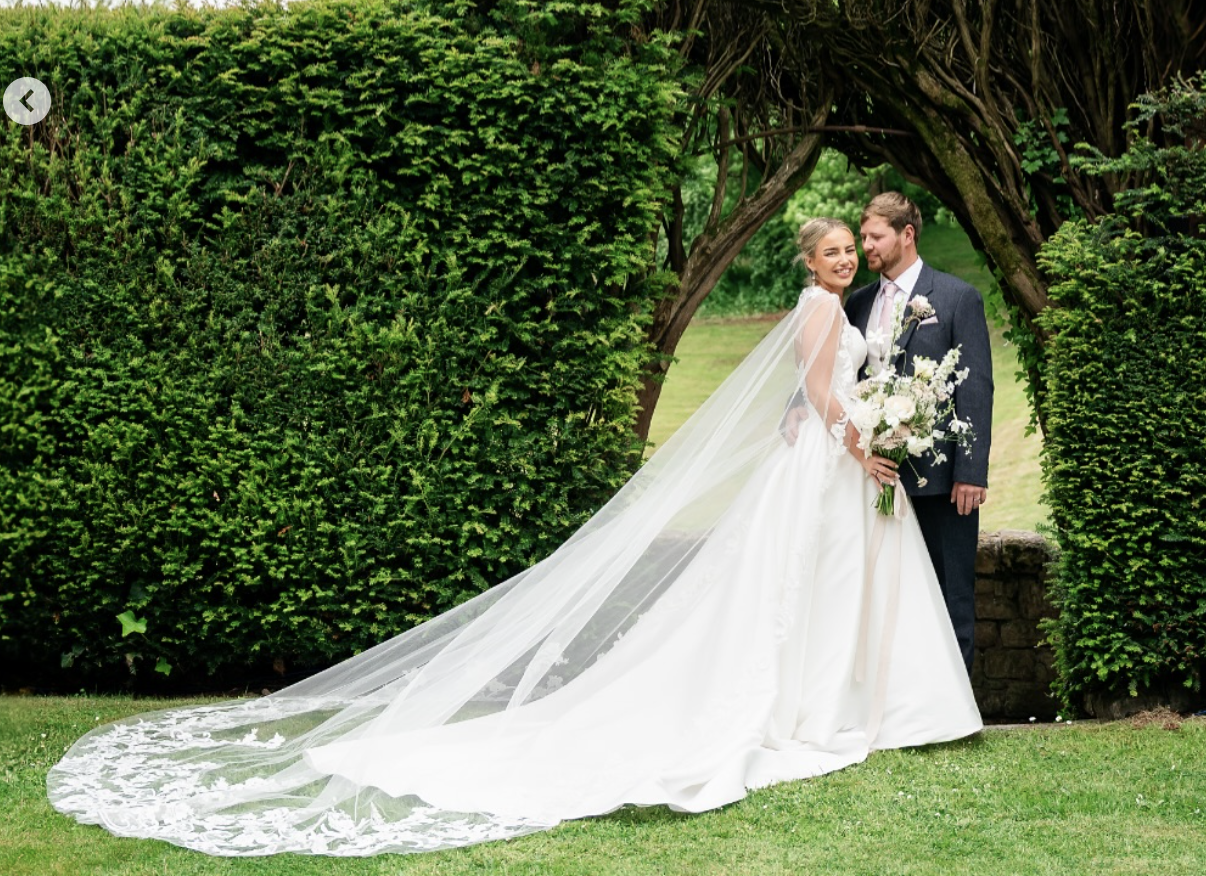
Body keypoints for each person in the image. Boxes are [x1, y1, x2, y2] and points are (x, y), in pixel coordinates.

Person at [47, 219, 981, 857]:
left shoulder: (843, 309)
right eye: (829, 253)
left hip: (831, 465)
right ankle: (811, 710)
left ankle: (842, 703)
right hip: (831, 462)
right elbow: (820, 394)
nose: (842, 263)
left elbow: (822, 393)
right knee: (798, 587)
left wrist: (867, 428)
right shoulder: (822, 312)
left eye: (847, 253)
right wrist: (861, 442)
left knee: (820, 585)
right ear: (808, 264)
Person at [844, 193, 994, 674]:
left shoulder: (956, 297)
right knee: (888, 593)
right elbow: (835, 372)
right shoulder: (859, 302)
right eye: (863, 236)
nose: (865, 246)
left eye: (875, 236)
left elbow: (976, 387)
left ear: (907, 234)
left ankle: (960, 706)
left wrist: (970, 472)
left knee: (952, 590)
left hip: (942, 479)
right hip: (875, 476)